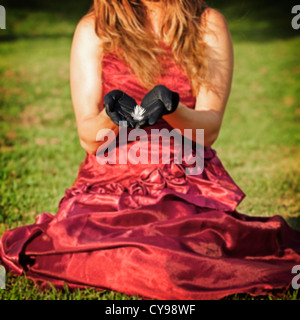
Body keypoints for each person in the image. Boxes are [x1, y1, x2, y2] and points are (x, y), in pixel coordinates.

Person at [0, 0, 300, 300]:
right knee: (104, 246)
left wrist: (171, 107)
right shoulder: (94, 29)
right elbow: (89, 138)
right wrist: (114, 114)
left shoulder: (207, 24)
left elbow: (208, 131)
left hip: (183, 175)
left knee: (174, 253)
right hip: (110, 178)